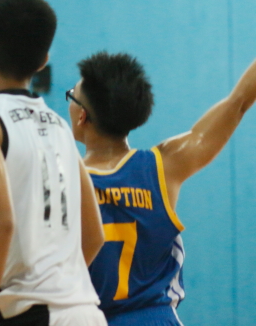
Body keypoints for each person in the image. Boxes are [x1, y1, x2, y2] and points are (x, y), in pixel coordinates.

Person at [0, 0, 107, 326]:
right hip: (85, 312)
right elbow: (94, 235)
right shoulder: (60, 126)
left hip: (29, 314)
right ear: (42, 61)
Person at [67, 52, 256, 326]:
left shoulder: (63, 179)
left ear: (82, 116)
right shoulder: (163, 166)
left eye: (72, 95)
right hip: (156, 319)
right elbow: (238, 102)